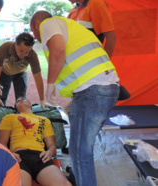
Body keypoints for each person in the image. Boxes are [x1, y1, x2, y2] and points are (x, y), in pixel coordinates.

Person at [30, 11, 120, 186]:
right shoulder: (73, 27)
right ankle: (77, 179)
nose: (36, 36)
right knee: (79, 149)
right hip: (99, 88)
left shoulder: (47, 23)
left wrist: (50, 85)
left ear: (36, 25)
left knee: (80, 152)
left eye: (33, 32)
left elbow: (58, 50)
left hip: (92, 91)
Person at [0, 97, 71, 186]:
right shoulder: (9, 118)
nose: (19, 100)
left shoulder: (44, 120)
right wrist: (9, 154)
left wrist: (50, 152)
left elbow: (52, 145)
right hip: (19, 157)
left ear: (30, 105)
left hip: (40, 157)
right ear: (16, 108)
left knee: (66, 184)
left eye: (23, 99)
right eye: (17, 101)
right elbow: (2, 143)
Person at [67, 0, 130, 101]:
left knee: (93, 108)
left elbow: (111, 38)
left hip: (93, 73)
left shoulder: (96, 3)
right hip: (79, 73)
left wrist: (103, 66)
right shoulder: (72, 12)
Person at [0, 32, 46, 109]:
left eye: (27, 52)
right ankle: (0, 114)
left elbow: (38, 78)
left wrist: (42, 100)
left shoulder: (32, 55)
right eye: (21, 50)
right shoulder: (4, 48)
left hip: (21, 73)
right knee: (1, 96)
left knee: (21, 99)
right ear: (15, 44)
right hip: (4, 72)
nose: (23, 54)